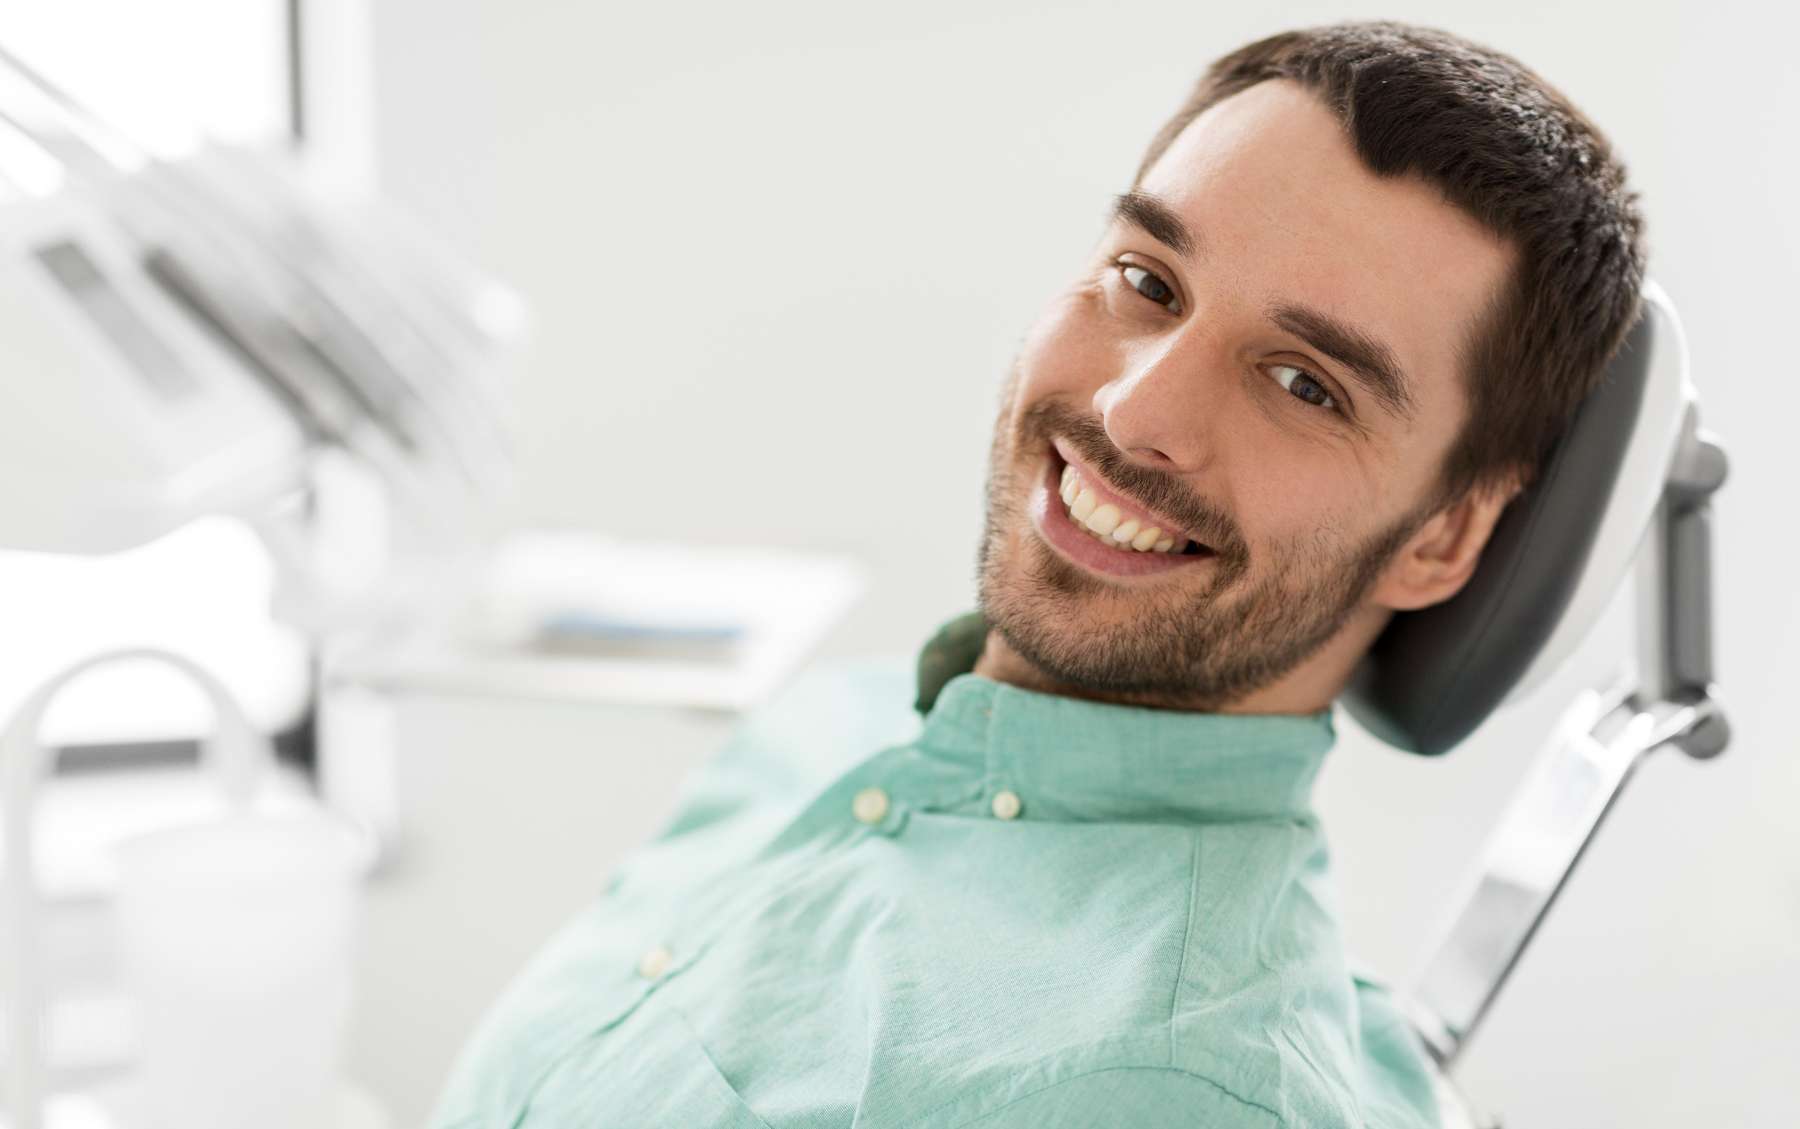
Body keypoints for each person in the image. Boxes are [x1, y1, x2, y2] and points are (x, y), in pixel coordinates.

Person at [430, 20, 1644, 1128]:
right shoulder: (834, 729)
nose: (1133, 406)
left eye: (1305, 385)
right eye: (1148, 282)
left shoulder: (1166, 1089)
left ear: (1444, 538)